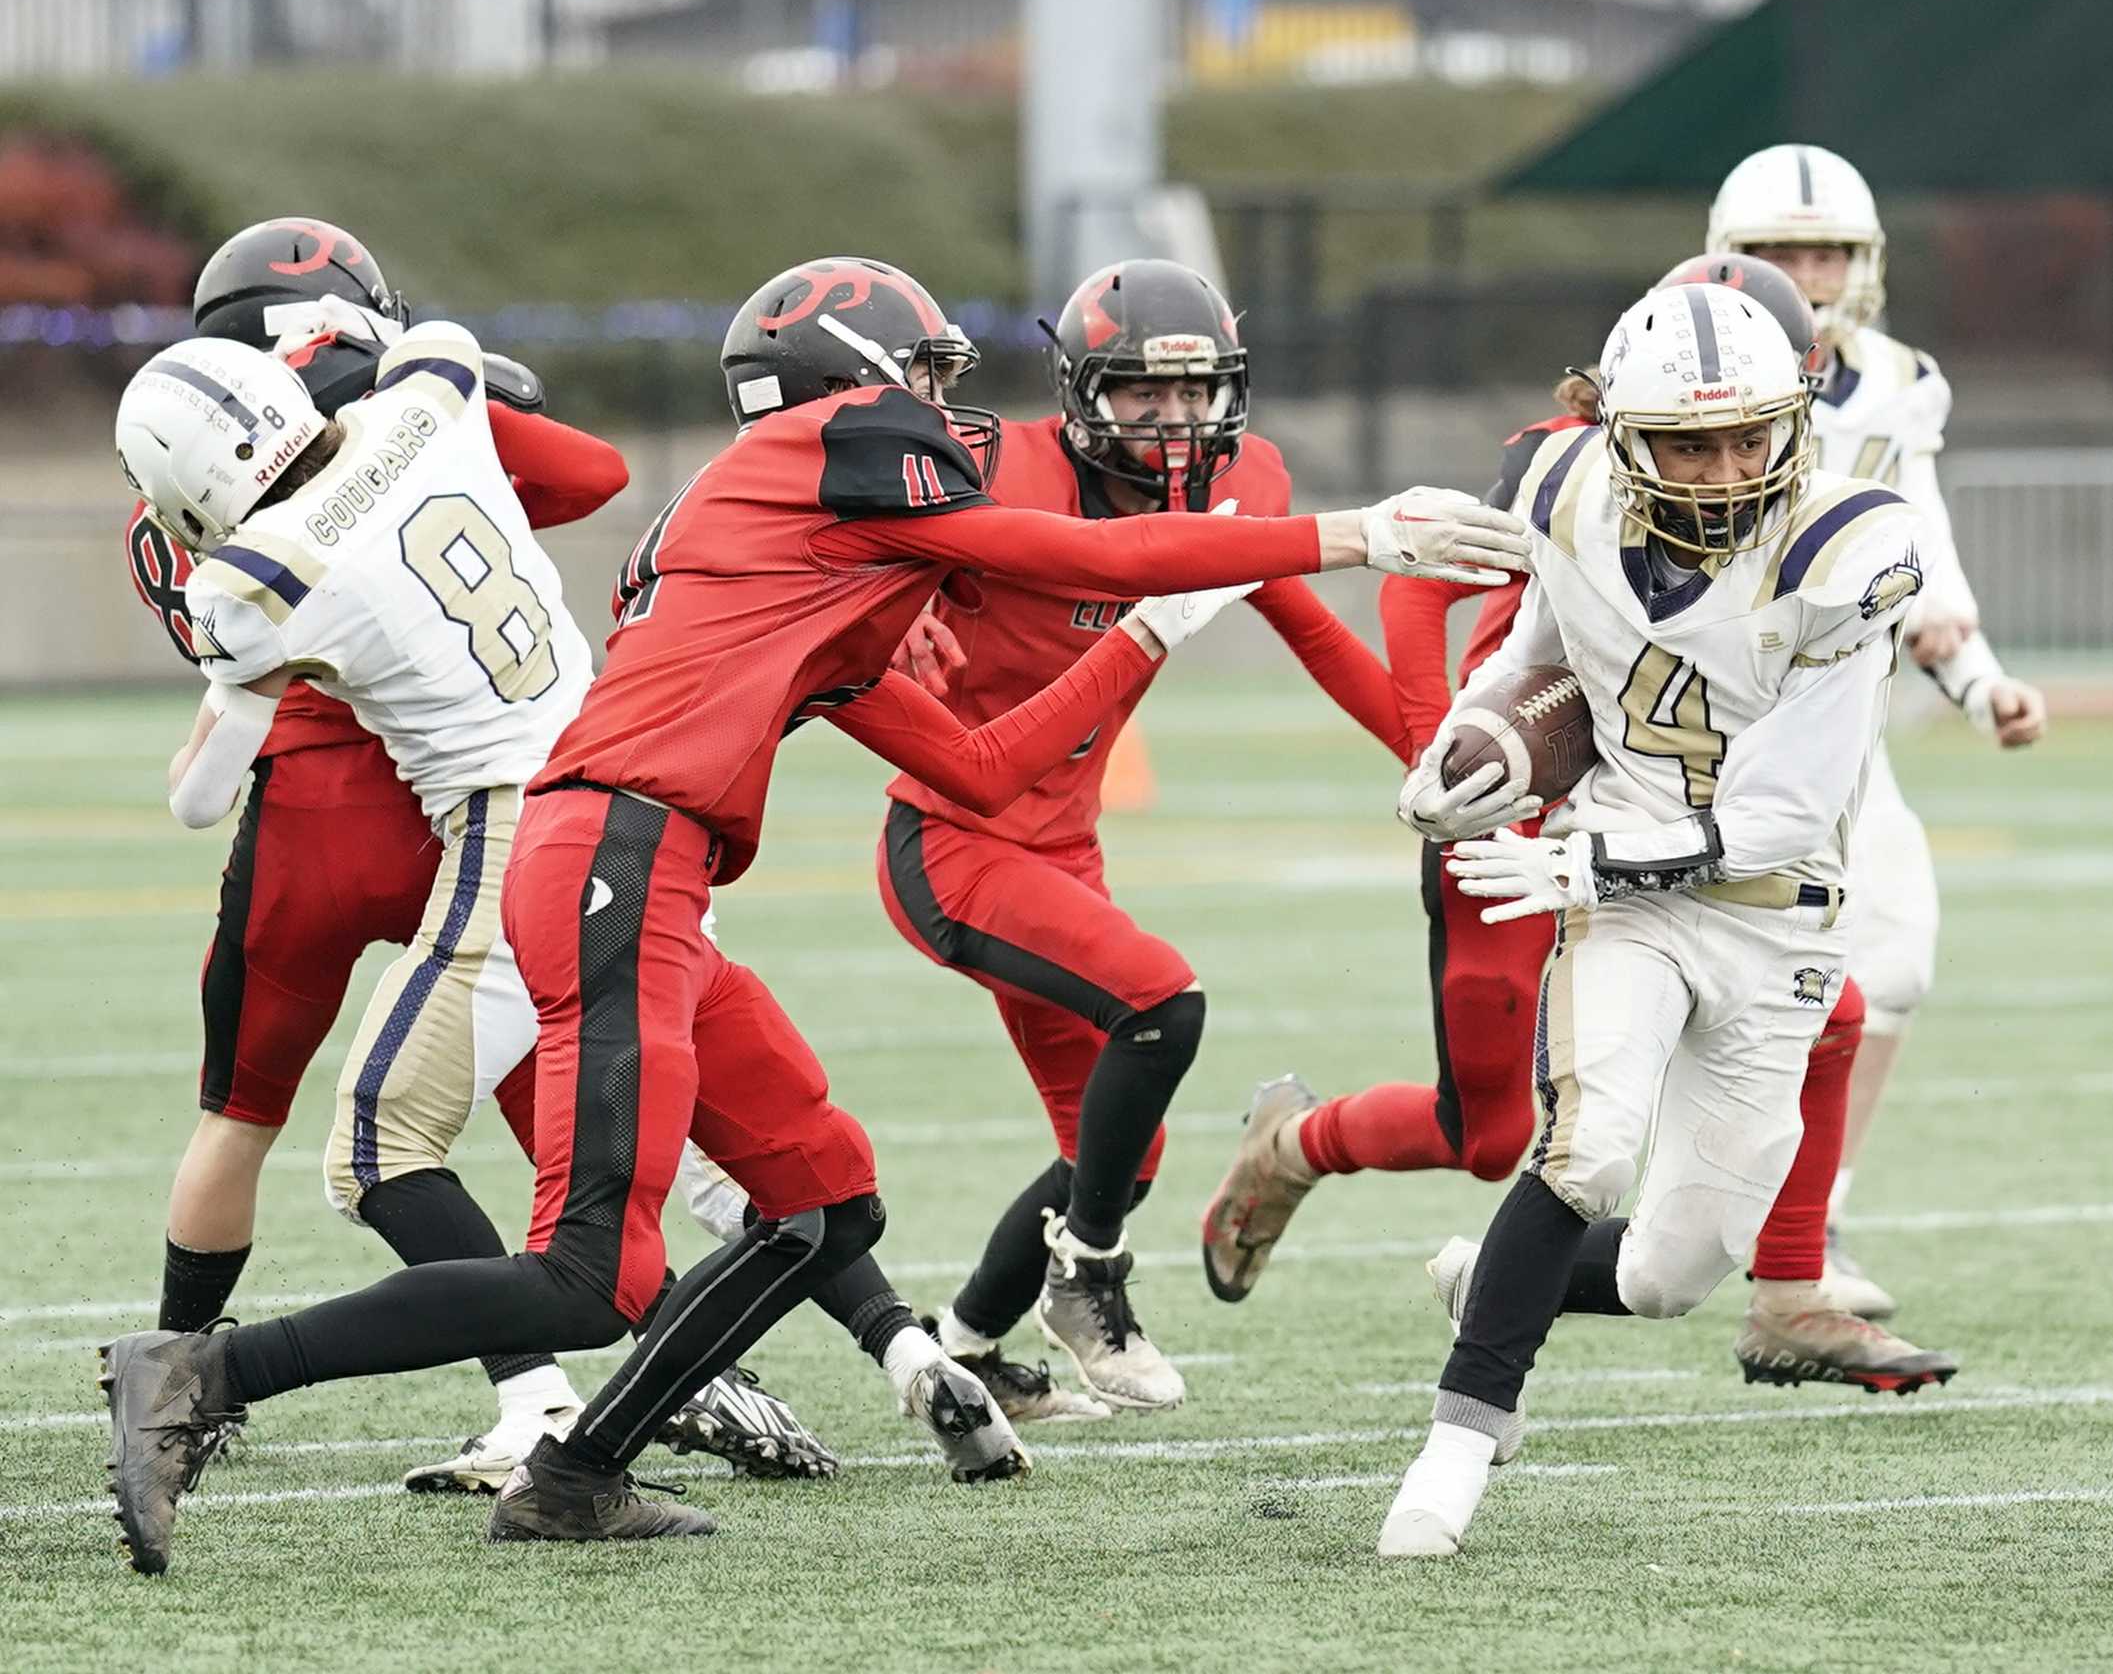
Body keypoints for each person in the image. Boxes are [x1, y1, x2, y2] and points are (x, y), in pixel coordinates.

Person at [99, 256, 1528, 1569]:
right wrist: (1342, 532)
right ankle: (207, 1373)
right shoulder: (823, 448)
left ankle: (578, 1472)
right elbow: (1055, 554)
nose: (952, 416)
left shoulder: (801, 571)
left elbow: (983, 766)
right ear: (867, 373)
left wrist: (1147, 635)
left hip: (645, 866)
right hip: (610, 852)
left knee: (821, 1197)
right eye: (935, 382)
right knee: (594, 1273)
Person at [125, 218, 828, 1493]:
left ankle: (259, 1378)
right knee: (718, 1120)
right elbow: (504, 404)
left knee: (345, 1141)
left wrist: (205, 583)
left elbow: (202, 773)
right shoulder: (434, 392)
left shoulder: (253, 583)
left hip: (472, 827)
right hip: (608, 801)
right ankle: (838, 1347)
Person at [1203, 254, 1958, 1393]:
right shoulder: (1562, 470)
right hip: (1527, 819)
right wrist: (1451, 762)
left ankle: (1788, 1292)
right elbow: (1422, 593)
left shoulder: (1797, 497)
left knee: (1829, 1008)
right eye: (1690, 432)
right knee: (1494, 1135)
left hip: (1671, 832)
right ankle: (1296, 1141)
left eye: (1769, 405)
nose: (1730, 455)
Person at [1376, 281, 1939, 1558]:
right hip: (1629, 907)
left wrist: (1598, 861)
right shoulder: (1569, 493)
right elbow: (1531, 659)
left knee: (1673, 1272)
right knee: (1587, 1149)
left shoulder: (1845, 547)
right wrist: (1474, 742)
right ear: (1626, 437)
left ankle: (1494, 1283)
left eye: (1749, 435)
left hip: (1772, 914)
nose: (1727, 465)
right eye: (1691, 441)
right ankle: (1455, 1448)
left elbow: (1789, 810)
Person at [875, 259, 1416, 1417]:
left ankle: (962, 1357)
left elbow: (1314, 631)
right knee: (1161, 999)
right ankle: (1091, 1280)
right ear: (1080, 393)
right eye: (1139, 394)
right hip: (952, 836)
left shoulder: (1244, 481)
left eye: (1194, 393)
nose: (1173, 420)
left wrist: (1434, 753)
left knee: (1117, 1151)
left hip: (1063, 843)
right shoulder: (994, 465)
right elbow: (849, 535)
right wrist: (901, 597)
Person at [1708, 144, 2048, 1316]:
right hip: (1688, 727)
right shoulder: (1674, 360)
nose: (1808, 272)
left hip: (1836, 726)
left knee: (1894, 955)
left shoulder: (1897, 378)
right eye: (1782, 250)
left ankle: (1814, 1213)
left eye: (1829, 252)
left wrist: (1977, 679)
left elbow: (1920, 545)